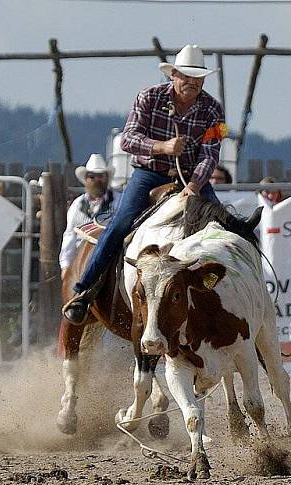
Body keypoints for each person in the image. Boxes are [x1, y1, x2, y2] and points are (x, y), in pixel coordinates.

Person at [62, 44, 227, 325]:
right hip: (150, 173)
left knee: (223, 228)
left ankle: (240, 301)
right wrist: (162, 147)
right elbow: (128, 139)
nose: (192, 82)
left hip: (191, 178)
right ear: (173, 74)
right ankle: (84, 291)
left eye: (197, 77)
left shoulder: (213, 109)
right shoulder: (149, 97)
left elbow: (211, 152)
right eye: (186, 76)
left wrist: (195, 186)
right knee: (120, 225)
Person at [58, 154, 121, 277]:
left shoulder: (118, 201)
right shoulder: (77, 205)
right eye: (92, 177)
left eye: (100, 176)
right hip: (80, 261)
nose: (96, 180)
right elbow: (70, 235)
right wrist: (65, 265)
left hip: (110, 259)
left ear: (107, 178)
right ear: (86, 179)